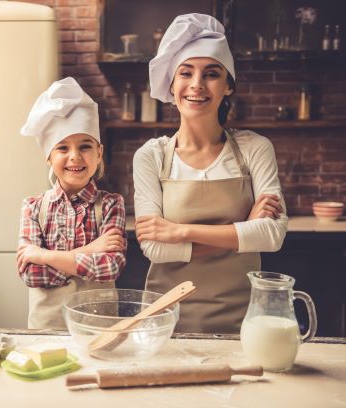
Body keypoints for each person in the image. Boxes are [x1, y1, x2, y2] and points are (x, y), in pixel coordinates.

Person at [133, 14, 288, 334]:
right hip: (166, 318)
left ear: (228, 85)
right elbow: (155, 249)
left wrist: (180, 231)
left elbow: (272, 235)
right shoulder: (151, 156)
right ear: (172, 85)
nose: (197, 84)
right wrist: (244, 229)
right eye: (186, 73)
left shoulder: (255, 148)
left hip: (243, 316)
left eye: (212, 74)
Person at [17, 77, 127, 330]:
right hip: (47, 331)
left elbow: (110, 267)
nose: (74, 157)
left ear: (99, 153)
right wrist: (91, 250)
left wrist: (45, 255)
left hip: (99, 329)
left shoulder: (112, 204)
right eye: (62, 148)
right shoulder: (33, 206)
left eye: (85, 146)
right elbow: (32, 274)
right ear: (48, 157)